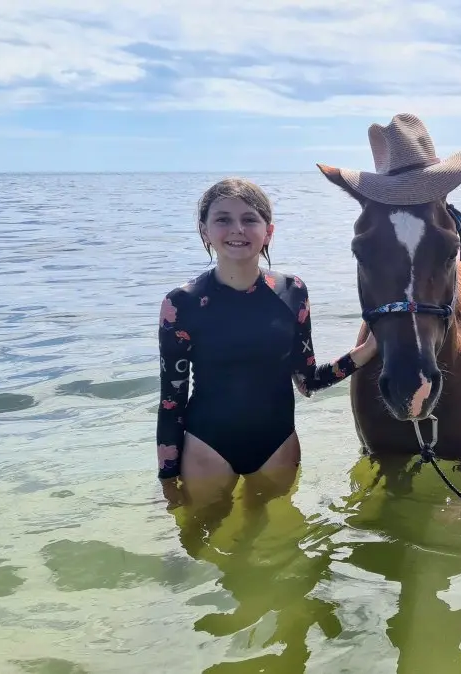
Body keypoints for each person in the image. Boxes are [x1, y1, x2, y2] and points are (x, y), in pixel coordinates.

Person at [155, 177, 377, 501]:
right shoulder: (181, 304)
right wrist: (167, 477)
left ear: (268, 231)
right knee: (201, 543)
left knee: (277, 543)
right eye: (223, 219)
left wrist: (369, 349)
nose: (237, 229)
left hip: (279, 447)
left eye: (249, 219)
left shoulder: (293, 292)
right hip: (206, 448)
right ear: (204, 231)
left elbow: (308, 381)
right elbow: (171, 401)